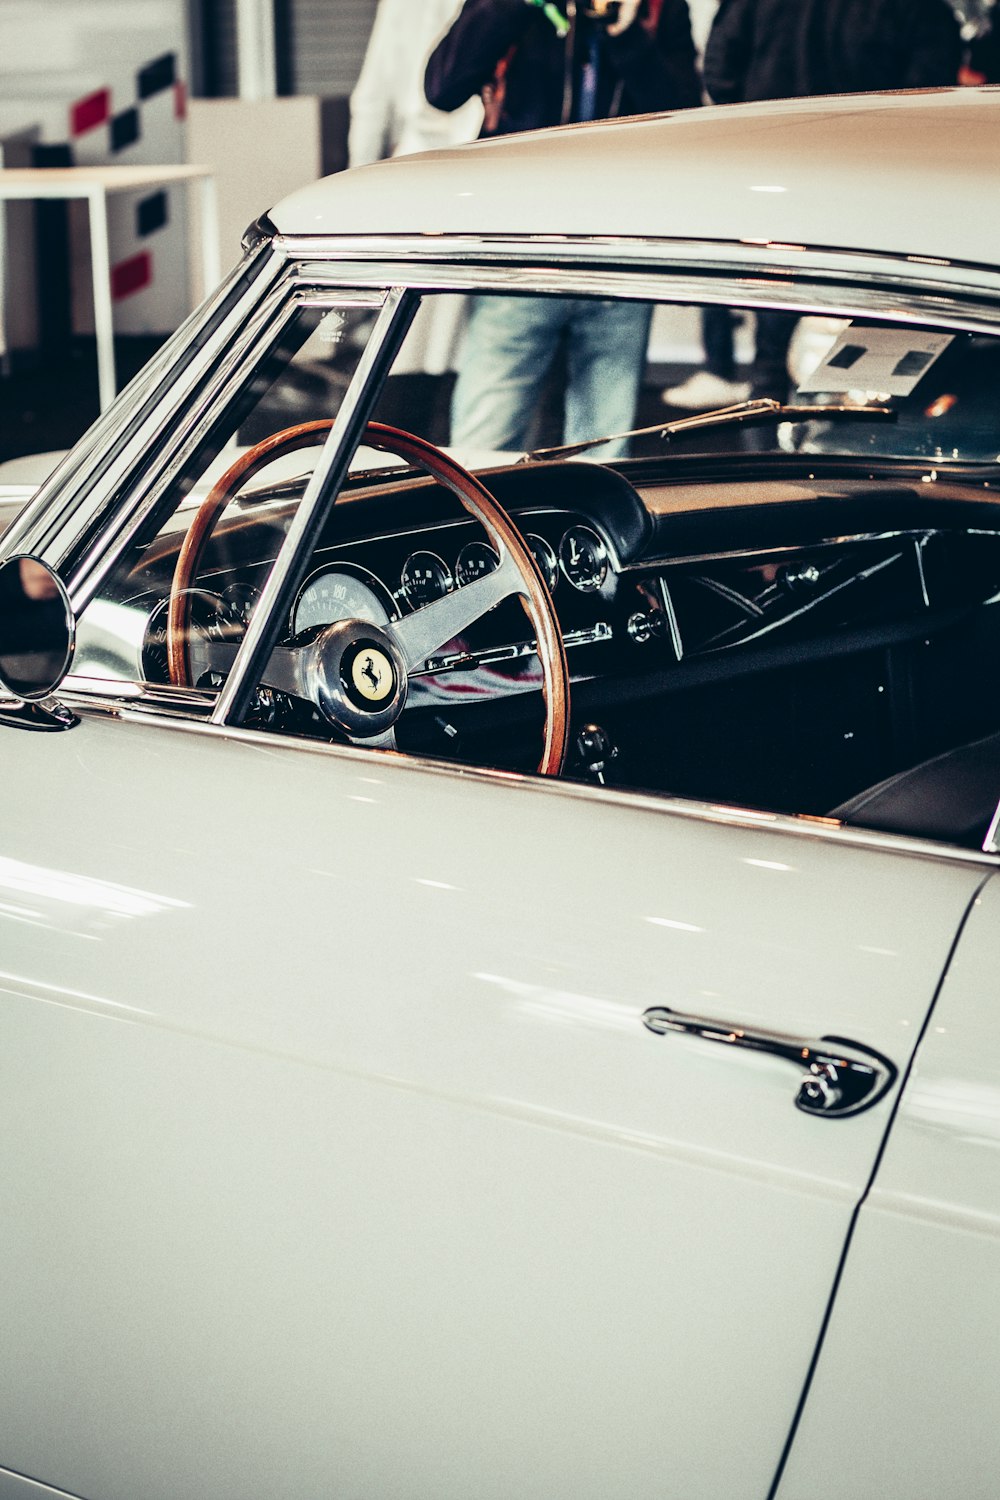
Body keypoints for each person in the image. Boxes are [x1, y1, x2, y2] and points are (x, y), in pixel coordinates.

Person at [425, 0, 701, 455]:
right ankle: (480, 526)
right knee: (487, 435)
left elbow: (684, 116)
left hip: (620, 246)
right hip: (520, 246)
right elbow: (441, 88)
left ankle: (592, 527)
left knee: (606, 441)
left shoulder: (655, 6)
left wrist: (626, 33)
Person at [702, 0, 963, 399]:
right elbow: (933, 92)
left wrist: (761, 121)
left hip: (777, 176)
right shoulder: (918, 8)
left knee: (773, 335)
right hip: (873, 186)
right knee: (873, 341)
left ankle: (763, 451)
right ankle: (852, 448)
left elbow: (719, 74)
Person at [348, 0, 483, 167]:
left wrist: (359, 178)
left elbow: (371, 100)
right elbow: (372, 98)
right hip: (466, 150)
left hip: (468, 149)